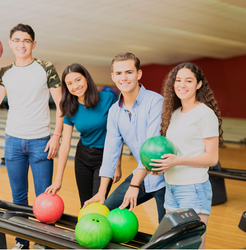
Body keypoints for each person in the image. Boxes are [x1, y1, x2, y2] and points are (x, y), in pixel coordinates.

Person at [0, 23, 63, 250]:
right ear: (10, 44)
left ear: (33, 43)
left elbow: (62, 106)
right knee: (18, 197)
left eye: (26, 40)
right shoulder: (4, 72)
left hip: (41, 141)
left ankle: (44, 243)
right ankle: (22, 242)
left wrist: (57, 136)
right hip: (13, 141)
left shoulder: (45, 67)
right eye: (16, 40)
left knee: (45, 197)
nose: (21, 44)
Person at [84, 52, 166, 223]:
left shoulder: (156, 102)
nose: (124, 77)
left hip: (166, 178)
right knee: (107, 210)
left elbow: (152, 151)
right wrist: (101, 192)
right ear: (113, 77)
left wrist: (134, 185)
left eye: (129, 72)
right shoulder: (115, 111)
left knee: (166, 235)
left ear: (139, 74)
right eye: (119, 73)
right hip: (142, 175)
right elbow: (110, 152)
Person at [149, 62, 223, 249]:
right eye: (178, 80)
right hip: (172, 187)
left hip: (194, 189)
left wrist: (179, 161)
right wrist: (162, 165)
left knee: (193, 246)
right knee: (175, 246)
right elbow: (174, 151)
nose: (182, 85)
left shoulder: (205, 114)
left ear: (198, 84)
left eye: (188, 81)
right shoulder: (174, 114)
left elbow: (212, 158)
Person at [45, 63, 121, 207]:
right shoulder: (69, 106)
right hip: (83, 158)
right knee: (85, 204)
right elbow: (65, 145)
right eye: (69, 83)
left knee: (98, 203)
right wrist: (58, 179)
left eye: (78, 80)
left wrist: (117, 163)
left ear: (86, 78)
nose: (75, 86)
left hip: (106, 157)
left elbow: (118, 133)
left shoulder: (108, 98)